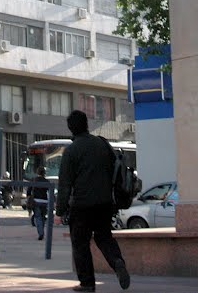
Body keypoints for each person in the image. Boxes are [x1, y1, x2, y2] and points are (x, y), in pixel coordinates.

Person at [56, 109, 131, 292]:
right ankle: (117, 261)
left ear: (70, 129)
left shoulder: (71, 151)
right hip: (105, 203)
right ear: (87, 125)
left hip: (82, 205)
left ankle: (87, 283)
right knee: (104, 237)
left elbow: (65, 184)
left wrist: (60, 211)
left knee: (80, 243)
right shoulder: (102, 145)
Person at [30, 165, 52, 240]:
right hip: (45, 201)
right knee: (42, 217)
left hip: (36, 200)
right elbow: (50, 191)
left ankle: (41, 233)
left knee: (38, 217)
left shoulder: (34, 180)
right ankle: (41, 231)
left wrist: (29, 197)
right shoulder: (47, 181)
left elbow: (29, 190)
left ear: (37, 172)